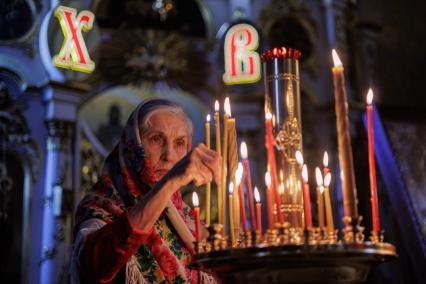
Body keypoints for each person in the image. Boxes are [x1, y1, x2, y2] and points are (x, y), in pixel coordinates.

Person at [71, 99, 221, 283]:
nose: (169, 156)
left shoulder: (189, 219)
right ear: (133, 145)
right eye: (156, 139)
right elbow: (94, 267)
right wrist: (170, 181)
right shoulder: (101, 205)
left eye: (180, 143)